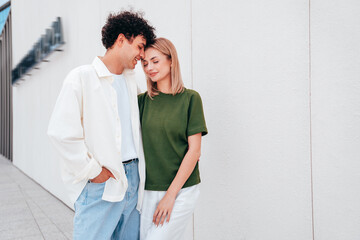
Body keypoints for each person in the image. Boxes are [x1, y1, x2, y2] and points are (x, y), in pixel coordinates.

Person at [47, 11, 155, 240]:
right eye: (140, 46)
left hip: (132, 180)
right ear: (121, 39)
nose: (142, 55)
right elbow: (60, 132)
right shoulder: (82, 77)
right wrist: (93, 172)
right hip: (101, 182)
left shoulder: (130, 82)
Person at [138, 38, 208, 240]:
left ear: (171, 61)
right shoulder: (142, 102)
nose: (149, 68)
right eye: (145, 64)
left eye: (155, 61)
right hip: (149, 190)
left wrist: (170, 196)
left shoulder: (190, 99)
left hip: (181, 189)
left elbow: (194, 151)